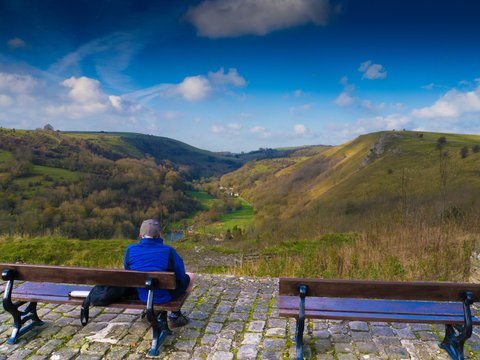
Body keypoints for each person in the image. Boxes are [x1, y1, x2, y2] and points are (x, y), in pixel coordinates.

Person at [124, 219, 190, 328]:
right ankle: (175, 314)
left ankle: (150, 311)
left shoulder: (130, 250)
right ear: (159, 234)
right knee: (189, 277)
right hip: (165, 297)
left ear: (140, 235)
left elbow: (128, 272)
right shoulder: (168, 250)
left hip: (143, 295)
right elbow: (180, 275)